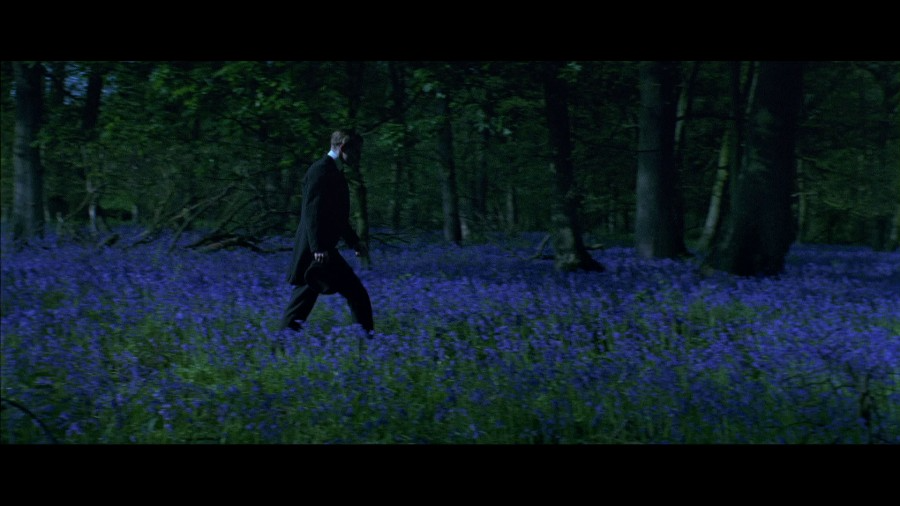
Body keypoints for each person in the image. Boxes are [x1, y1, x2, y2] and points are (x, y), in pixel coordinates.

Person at [279, 129, 374, 335]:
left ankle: (280, 346)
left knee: (302, 305)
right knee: (356, 294)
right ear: (343, 148)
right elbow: (311, 213)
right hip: (316, 253)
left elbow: (337, 216)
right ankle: (368, 341)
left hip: (321, 251)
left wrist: (354, 242)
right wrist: (318, 247)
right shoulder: (320, 170)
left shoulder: (333, 171)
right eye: (356, 152)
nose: (359, 157)